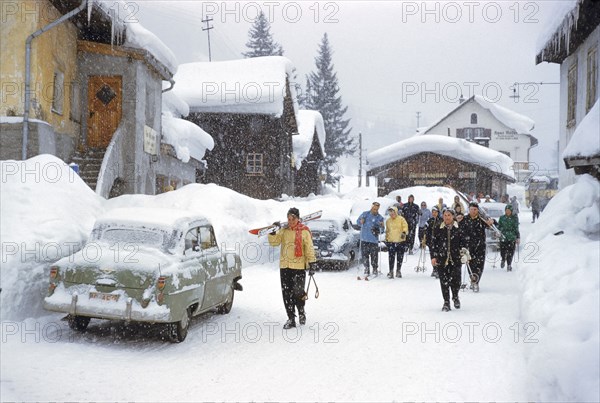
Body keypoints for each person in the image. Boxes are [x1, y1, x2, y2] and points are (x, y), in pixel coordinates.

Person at [268, 207, 317, 329]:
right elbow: (274, 243)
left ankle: (301, 311)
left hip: (299, 267)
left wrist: (312, 263)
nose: (290, 221)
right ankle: (291, 318)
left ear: (298, 218)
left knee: (298, 292)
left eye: (293, 219)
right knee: (286, 293)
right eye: (288, 219)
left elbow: (309, 248)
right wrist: (273, 232)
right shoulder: (283, 230)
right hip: (285, 266)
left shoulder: (304, 231)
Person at [430, 208, 467, 311]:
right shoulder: (438, 227)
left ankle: (455, 296)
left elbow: (464, 242)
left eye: (449, 215)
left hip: (455, 258)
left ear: (453, 216)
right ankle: (446, 302)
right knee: (444, 280)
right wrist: (433, 256)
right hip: (442, 258)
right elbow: (433, 243)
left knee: (456, 280)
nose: (447, 217)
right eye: (445, 215)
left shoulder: (459, 227)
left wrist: (464, 253)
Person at [459, 201, 494, 292]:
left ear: (478, 210)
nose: (473, 211)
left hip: (480, 246)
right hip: (468, 247)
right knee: (470, 265)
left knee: (479, 265)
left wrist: (491, 222)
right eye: (471, 209)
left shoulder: (481, 220)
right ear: (469, 210)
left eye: (475, 209)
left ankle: (476, 282)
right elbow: (458, 229)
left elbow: (493, 225)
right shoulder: (465, 219)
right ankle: (473, 280)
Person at [357, 202, 385, 276]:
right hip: (364, 239)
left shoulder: (380, 217)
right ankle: (366, 268)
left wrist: (381, 226)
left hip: (373, 240)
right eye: (374, 209)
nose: (375, 210)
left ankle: (375, 269)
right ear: (371, 207)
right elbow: (358, 222)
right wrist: (361, 221)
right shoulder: (365, 214)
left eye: (377, 209)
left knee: (374, 256)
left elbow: (382, 230)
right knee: (364, 256)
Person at [384, 206, 409, 278]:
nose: (391, 214)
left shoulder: (401, 219)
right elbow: (387, 231)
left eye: (392, 212)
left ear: (395, 212)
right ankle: (391, 271)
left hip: (400, 241)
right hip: (391, 242)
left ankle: (398, 270)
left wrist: (404, 232)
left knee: (399, 257)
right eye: (390, 212)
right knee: (391, 257)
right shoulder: (388, 221)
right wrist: (386, 239)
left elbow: (405, 227)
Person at [497, 204, 520, 271]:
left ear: (511, 211)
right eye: (506, 210)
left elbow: (516, 228)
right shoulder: (502, 218)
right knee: (503, 251)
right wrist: (498, 232)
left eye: (509, 210)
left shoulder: (514, 218)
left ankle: (509, 265)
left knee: (511, 252)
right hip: (503, 237)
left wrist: (518, 237)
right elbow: (499, 226)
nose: (507, 212)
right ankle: (503, 259)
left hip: (512, 237)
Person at [425, 206, 442, 278]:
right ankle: (434, 269)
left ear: (438, 213)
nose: (434, 213)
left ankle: (438, 269)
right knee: (432, 255)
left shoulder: (441, 220)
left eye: (435, 212)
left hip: (439, 242)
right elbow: (426, 230)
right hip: (431, 241)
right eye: (433, 212)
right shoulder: (430, 220)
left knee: (438, 256)